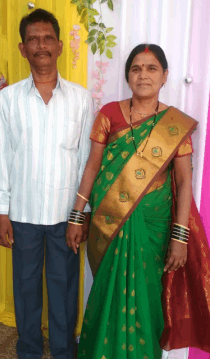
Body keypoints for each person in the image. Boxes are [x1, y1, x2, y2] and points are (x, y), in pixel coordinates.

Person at [66, 44, 210, 358]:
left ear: (164, 76)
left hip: (154, 227)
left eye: (151, 68)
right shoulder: (109, 114)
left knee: (146, 295)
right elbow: (92, 165)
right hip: (109, 220)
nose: (142, 74)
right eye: (135, 68)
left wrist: (180, 236)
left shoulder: (175, 125)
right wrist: (78, 216)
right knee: (108, 292)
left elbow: (184, 181)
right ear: (128, 76)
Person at [0, 8, 93, 359]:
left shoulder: (81, 99)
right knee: (26, 287)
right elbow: (2, 158)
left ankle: (64, 351)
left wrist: (83, 214)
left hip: (67, 215)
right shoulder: (8, 99)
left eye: (48, 38)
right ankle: (29, 349)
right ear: (22, 49)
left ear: (60, 46)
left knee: (64, 289)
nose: (41, 45)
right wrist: (1, 212)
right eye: (33, 39)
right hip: (23, 213)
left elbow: (85, 161)